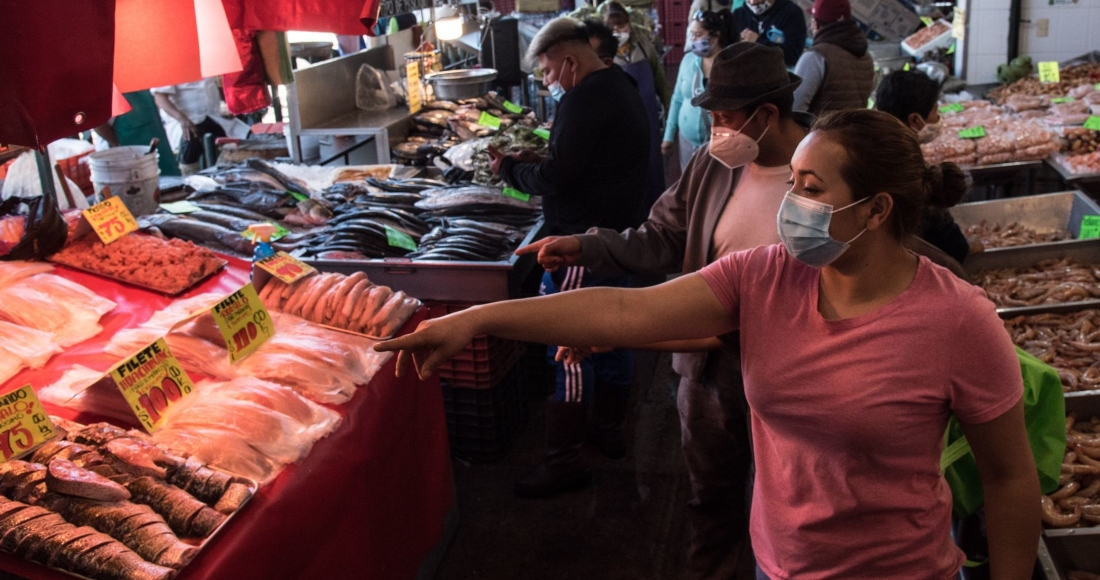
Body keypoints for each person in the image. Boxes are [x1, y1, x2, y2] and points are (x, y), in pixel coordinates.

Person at [378, 109, 1041, 580]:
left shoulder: (956, 320)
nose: (792, 205)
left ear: (876, 210)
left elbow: (1010, 478)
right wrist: (482, 318)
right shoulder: (763, 275)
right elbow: (624, 310)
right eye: (792, 185)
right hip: (778, 565)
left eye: (811, 190)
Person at [522, 42, 813, 579]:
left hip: (794, 379)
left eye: (724, 118)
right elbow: (660, 235)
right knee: (711, 504)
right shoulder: (713, 164)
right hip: (708, 377)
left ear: (768, 115)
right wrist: (587, 246)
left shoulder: (822, 174)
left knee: (791, 515)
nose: (714, 130)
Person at [486, 16, 650, 499]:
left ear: (571, 63)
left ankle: (565, 461)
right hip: (616, 236)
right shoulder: (619, 85)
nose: (548, 83)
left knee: (569, 346)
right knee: (612, 334)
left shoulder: (585, 98)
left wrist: (511, 171)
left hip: (581, 242)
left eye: (549, 74)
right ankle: (608, 430)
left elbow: (558, 176)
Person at [875, 70, 980, 264]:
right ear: (915, 120)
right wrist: (963, 246)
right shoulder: (904, 164)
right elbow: (950, 245)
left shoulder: (871, 141)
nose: (938, 118)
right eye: (935, 112)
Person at [662, 10, 735, 169]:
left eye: (698, 34)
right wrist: (669, 136)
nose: (692, 39)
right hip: (687, 141)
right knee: (689, 187)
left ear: (715, 36)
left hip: (721, 144)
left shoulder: (730, 65)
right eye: (691, 34)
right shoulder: (688, 61)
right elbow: (677, 99)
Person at [791, 0, 874, 115]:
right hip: (854, 131)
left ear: (815, 23)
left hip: (821, 131)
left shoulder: (815, 57)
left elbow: (794, 108)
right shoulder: (866, 57)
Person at [94, 90, 180, 177]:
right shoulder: (105, 90)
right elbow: (97, 123)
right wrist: (116, 144)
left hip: (161, 153)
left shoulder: (143, 83)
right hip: (126, 160)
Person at [151, 78, 226, 175]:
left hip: (213, 116)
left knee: (233, 147)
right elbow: (160, 98)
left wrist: (228, 104)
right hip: (185, 121)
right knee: (190, 143)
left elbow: (215, 85)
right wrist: (182, 119)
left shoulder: (206, 63)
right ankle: (190, 178)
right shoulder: (167, 67)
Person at [604, 2, 671, 108]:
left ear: (629, 25)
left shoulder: (643, 45)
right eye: (612, 29)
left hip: (648, 109)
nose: (617, 32)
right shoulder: (602, 53)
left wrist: (668, 104)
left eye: (621, 26)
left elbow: (659, 77)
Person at [732, 0, 806, 68]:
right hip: (742, 75)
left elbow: (793, 55)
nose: (752, 2)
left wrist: (758, 42)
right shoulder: (738, 15)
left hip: (778, 76)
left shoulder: (791, 13)